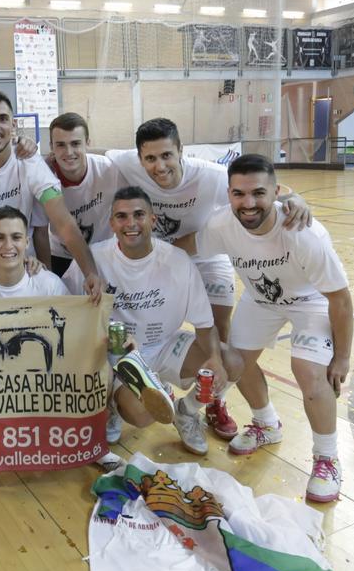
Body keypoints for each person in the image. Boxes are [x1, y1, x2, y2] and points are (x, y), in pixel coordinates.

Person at [105, 118, 312, 439]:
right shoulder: (125, 162)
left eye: (167, 156)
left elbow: (264, 190)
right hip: (164, 254)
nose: (160, 166)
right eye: (151, 158)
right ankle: (135, 387)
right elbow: (92, 157)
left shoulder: (212, 176)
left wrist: (295, 198)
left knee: (220, 338)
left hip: (205, 255)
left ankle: (212, 400)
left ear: (181, 152)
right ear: (139, 157)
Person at [192, 155, 352, 503]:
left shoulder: (304, 234)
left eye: (258, 194)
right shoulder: (221, 225)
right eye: (239, 194)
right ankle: (266, 424)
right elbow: (187, 247)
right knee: (235, 360)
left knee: (309, 372)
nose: (248, 203)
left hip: (310, 300)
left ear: (277, 193)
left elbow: (340, 299)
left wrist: (341, 357)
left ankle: (327, 459)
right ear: (229, 194)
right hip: (261, 299)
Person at [63, 187, 233, 456]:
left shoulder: (178, 261)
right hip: (119, 356)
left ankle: (186, 412)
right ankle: (113, 405)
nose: (130, 223)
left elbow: (204, 325)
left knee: (230, 361)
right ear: (112, 224)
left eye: (139, 215)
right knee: (142, 416)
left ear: (153, 220)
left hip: (166, 346)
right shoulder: (92, 259)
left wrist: (213, 357)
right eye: (121, 216)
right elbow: (65, 311)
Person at [0, 88, 104, 300]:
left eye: (3, 119)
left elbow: (63, 222)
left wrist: (90, 272)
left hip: (21, 264)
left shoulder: (29, 162)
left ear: (14, 125)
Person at [45, 112, 118, 277]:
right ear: (51, 147)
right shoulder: (44, 178)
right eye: (61, 145)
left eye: (75, 143)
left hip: (104, 253)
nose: (69, 152)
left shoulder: (110, 170)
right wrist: (46, 274)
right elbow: (40, 230)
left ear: (88, 143)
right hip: (61, 255)